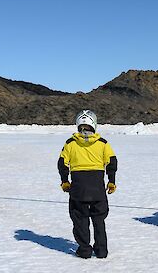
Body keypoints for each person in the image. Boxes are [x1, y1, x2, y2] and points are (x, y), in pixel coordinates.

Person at [57, 110, 118, 259]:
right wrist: (111, 181)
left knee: (80, 220)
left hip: (78, 189)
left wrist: (65, 181)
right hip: (97, 189)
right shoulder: (102, 143)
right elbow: (112, 162)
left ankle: (84, 250)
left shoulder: (70, 143)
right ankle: (101, 251)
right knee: (99, 220)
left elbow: (62, 164)